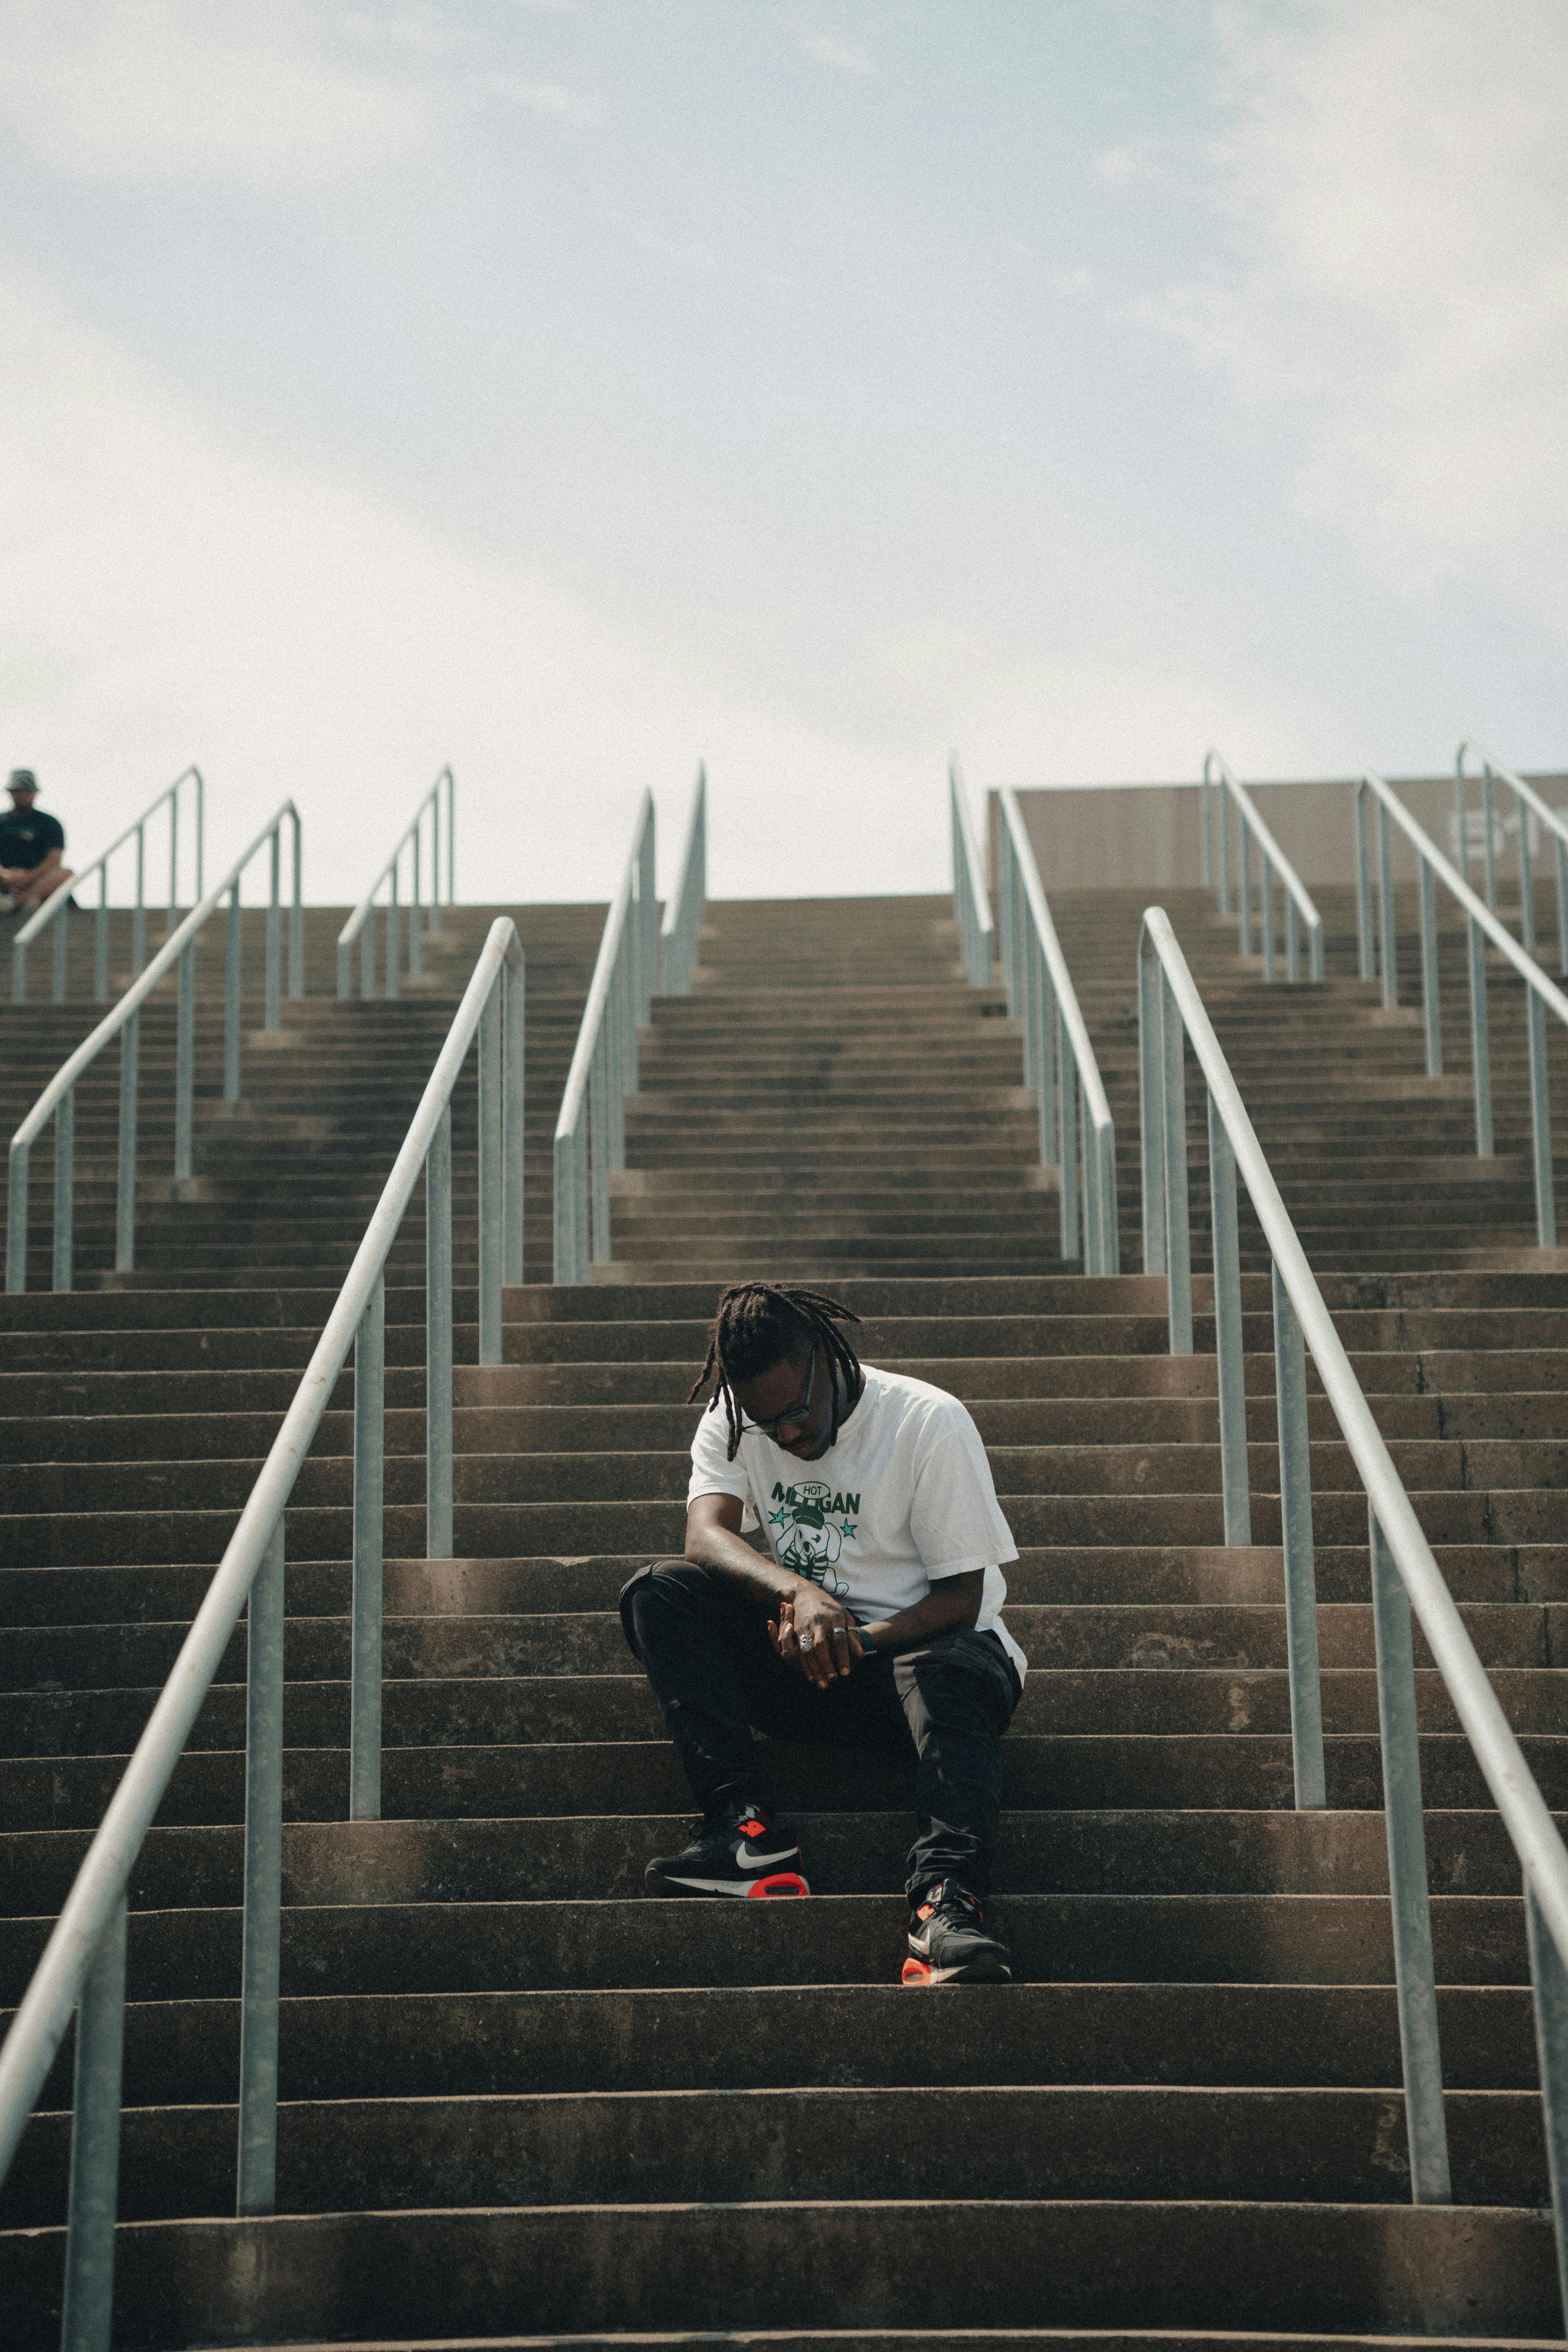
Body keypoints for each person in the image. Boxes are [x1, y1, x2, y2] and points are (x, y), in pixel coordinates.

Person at [621, 1282, 1026, 1984]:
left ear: (825, 1360)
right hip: (810, 1668)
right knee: (658, 1593)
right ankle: (746, 1835)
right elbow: (704, 1535)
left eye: (797, 1417)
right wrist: (797, 1592)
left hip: (923, 1670)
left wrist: (857, 1640)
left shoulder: (927, 1422)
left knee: (948, 1668)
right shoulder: (735, 1417)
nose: (785, 1438)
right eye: (765, 1424)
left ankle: (944, 1908)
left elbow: (961, 1600)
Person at [0, 771, 70, 917]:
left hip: (38, 882)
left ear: (35, 793)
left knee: (66, 874)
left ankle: (16, 903)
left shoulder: (50, 823)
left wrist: (28, 877)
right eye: (17, 790)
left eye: (28, 790)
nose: (22, 794)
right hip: (4, 882)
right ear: (11, 793)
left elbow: (55, 859)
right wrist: (6, 875)